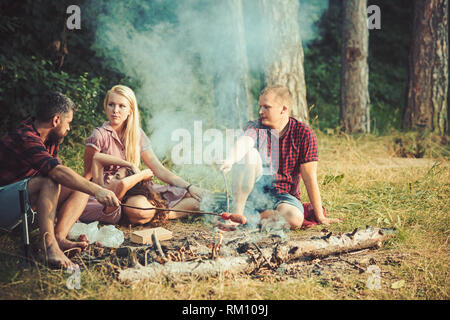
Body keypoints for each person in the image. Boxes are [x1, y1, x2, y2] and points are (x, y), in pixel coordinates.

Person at [0, 91, 120, 268]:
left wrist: (83, 195)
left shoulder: (50, 138)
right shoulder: (24, 136)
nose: (69, 128)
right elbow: (56, 173)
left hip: (24, 207)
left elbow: (64, 176)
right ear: (56, 120)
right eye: (68, 122)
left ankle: (58, 238)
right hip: (4, 205)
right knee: (50, 180)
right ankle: (49, 247)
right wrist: (98, 190)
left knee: (80, 185)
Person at [219, 85, 342, 229]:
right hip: (252, 194)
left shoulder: (303, 133)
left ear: (283, 109)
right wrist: (230, 159)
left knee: (294, 218)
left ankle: (249, 218)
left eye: (267, 107)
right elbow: (245, 143)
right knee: (249, 154)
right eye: (260, 106)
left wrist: (320, 216)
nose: (260, 111)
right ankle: (236, 216)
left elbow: (309, 178)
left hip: (284, 197)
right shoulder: (255, 127)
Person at [82, 85, 206, 224]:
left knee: (193, 197)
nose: (115, 110)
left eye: (122, 106)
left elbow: (157, 168)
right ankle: (158, 214)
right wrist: (82, 200)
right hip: (112, 191)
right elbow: (87, 175)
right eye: (111, 105)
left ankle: (156, 213)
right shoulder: (99, 135)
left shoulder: (137, 134)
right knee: (139, 209)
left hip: (136, 187)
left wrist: (189, 186)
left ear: (130, 110)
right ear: (106, 107)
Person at [81, 152, 200, 226]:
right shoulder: (100, 187)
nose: (110, 177)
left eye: (116, 176)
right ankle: (163, 213)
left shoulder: (112, 203)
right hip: (67, 201)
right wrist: (130, 165)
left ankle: (164, 213)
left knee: (193, 200)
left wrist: (141, 175)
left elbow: (122, 185)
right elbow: (97, 157)